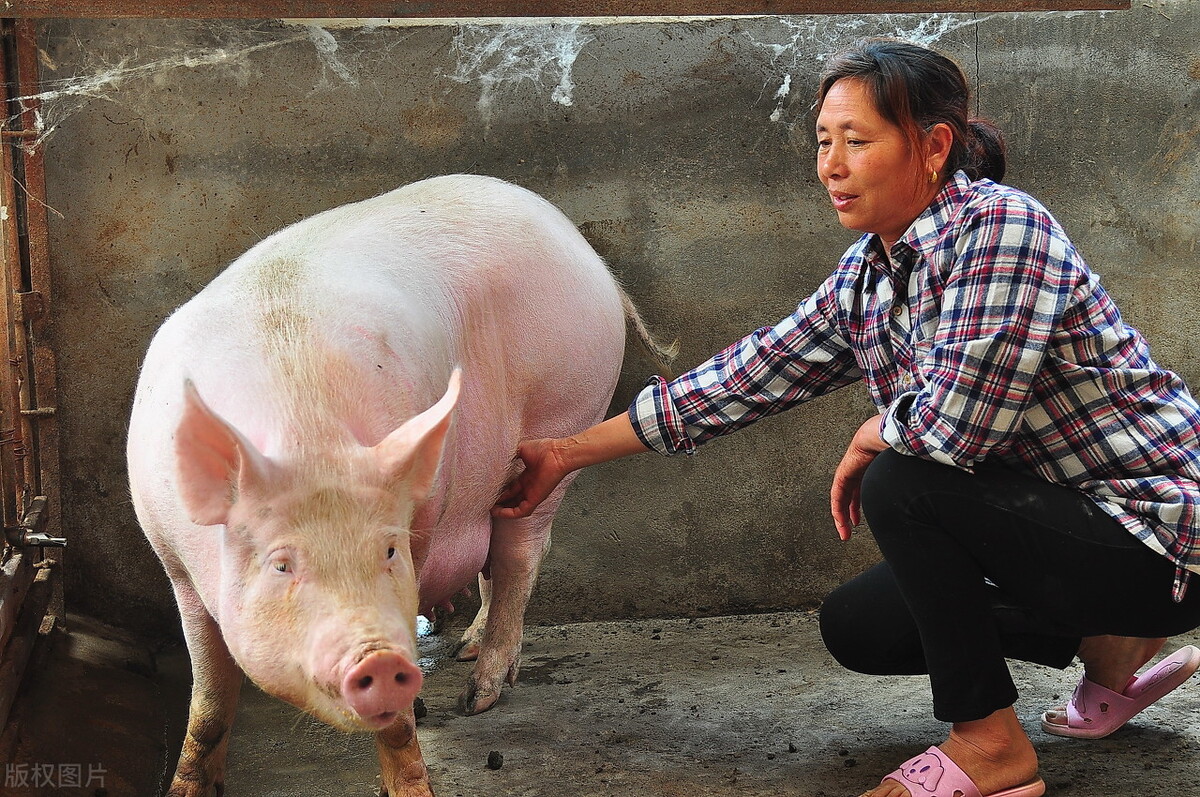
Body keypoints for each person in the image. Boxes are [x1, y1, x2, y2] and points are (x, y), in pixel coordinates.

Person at [491, 37, 1200, 797]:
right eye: (824, 142)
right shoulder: (868, 274)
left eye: (856, 141)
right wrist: (564, 453)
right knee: (861, 625)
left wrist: (872, 431)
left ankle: (990, 746)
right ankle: (1111, 643)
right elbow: (744, 378)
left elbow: (957, 431)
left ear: (932, 147)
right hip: (1068, 534)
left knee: (904, 479)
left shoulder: (1003, 229)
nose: (831, 165)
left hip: (1158, 534)